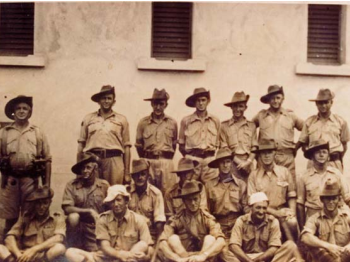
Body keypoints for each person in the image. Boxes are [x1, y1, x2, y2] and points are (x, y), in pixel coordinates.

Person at [0, 95, 51, 234]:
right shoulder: (4, 133)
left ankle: (26, 244)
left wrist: (47, 184)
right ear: (13, 112)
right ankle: (8, 248)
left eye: (25, 108)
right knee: (10, 217)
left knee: (29, 214)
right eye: (18, 108)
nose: (21, 111)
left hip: (31, 180)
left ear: (29, 112)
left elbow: (47, 159)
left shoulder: (37, 132)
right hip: (10, 180)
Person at [65, 185, 153, 262]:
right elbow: (105, 247)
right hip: (106, 258)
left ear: (126, 201)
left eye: (119, 200)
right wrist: (120, 255)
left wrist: (146, 257)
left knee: (142, 244)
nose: (116, 204)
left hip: (128, 258)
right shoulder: (102, 219)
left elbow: (149, 247)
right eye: (112, 201)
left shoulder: (138, 220)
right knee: (70, 252)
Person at [159, 180, 226, 262]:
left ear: (200, 198)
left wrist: (203, 256)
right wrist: (178, 259)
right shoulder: (176, 219)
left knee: (210, 238)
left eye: (195, 199)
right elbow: (162, 243)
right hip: (184, 257)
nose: (193, 203)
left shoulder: (207, 218)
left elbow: (221, 241)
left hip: (202, 258)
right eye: (189, 200)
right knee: (173, 239)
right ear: (184, 201)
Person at [78, 85, 131, 185]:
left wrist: (127, 172)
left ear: (113, 101)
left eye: (109, 98)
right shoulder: (88, 118)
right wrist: (79, 170)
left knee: (114, 192)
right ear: (98, 101)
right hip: (92, 160)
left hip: (114, 161)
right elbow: (81, 145)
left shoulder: (121, 119)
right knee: (93, 193)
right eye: (103, 98)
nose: (106, 101)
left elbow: (127, 147)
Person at [247, 139, 299, 241]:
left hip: (282, 210)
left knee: (292, 222)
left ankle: (293, 249)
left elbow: (291, 195)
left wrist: (291, 211)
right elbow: (252, 201)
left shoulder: (284, 172)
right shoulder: (253, 175)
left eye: (269, 152)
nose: (266, 156)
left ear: (274, 153)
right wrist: (275, 213)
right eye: (263, 153)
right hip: (262, 213)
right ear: (260, 156)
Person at [253, 85, 304, 183]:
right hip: (265, 158)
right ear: (268, 100)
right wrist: (255, 151)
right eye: (272, 98)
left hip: (286, 158)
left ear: (283, 98)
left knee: (289, 187)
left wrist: (297, 146)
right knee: (264, 186)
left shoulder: (291, 116)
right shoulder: (261, 116)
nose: (275, 101)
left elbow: (307, 129)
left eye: (278, 98)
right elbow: (249, 130)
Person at [0, 187, 66, 262]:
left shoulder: (57, 217)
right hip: (24, 255)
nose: (41, 207)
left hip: (43, 256)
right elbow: (9, 238)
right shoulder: (26, 217)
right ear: (34, 204)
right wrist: (18, 254)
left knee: (59, 247)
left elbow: (59, 238)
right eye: (38, 203)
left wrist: (34, 250)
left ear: (50, 203)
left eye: (45, 203)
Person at [206, 147, 249, 261]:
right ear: (218, 165)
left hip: (238, 226)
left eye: (228, 162)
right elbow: (206, 211)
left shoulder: (241, 184)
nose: (225, 165)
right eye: (222, 162)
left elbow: (246, 209)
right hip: (219, 226)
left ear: (231, 164)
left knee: (242, 249)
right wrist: (214, 227)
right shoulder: (209, 186)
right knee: (223, 251)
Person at [229, 192, 299, 262]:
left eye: (264, 208)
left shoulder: (273, 222)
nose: (261, 211)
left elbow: (274, 247)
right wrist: (249, 261)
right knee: (225, 252)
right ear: (251, 207)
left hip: (266, 258)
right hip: (245, 257)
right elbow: (234, 245)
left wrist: (258, 259)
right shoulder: (241, 221)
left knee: (290, 245)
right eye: (258, 208)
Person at [296, 139, 350, 229]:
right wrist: (302, 227)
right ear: (312, 156)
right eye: (318, 152)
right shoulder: (303, 177)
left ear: (328, 157)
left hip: (335, 216)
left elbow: (347, 197)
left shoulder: (336, 173)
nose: (321, 155)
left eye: (324, 152)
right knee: (309, 239)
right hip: (314, 217)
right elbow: (300, 205)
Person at [62, 153, 109, 252]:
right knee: (73, 217)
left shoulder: (104, 185)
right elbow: (67, 208)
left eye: (88, 167)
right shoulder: (72, 185)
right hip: (78, 227)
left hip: (96, 228)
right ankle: (72, 246)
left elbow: (110, 209)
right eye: (83, 168)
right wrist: (89, 211)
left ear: (95, 168)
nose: (85, 171)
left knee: (98, 254)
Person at [135, 88, 178, 195]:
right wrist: (148, 158)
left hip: (166, 163)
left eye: (161, 104)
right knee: (149, 193)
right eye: (155, 104)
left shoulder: (172, 123)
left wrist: (164, 157)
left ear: (166, 105)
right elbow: (139, 145)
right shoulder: (143, 123)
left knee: (168, 193)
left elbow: (174, 144)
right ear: (151, 104)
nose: (158, 107)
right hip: (149, 162)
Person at [297, 89, 350, 172]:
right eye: (320, 103)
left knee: (334, 184)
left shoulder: (340, 122)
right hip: (313, 163)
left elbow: (344, 145)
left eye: (326, 102)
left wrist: (334, 158)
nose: (323, 105)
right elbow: (304, 144)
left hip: (333, 163)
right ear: (316, 104)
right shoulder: (309, 122)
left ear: (331, 103)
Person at [301, 178, 350, 262]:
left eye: (334, 198)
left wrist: (348, 247)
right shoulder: (315, 218)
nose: (331, 202)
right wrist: (328, 246)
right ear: (322, 199)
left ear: (339, 199)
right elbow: (305, 237)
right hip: (325, 257)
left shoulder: (347, 216)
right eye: (327, 198)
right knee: (315, 249)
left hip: (344, 255)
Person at [179, 88, 220, 183]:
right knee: (190, 188)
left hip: (210, 161)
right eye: (198, 100)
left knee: (211, 189)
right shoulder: (186, 121)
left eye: (203, 100)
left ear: (208, 101)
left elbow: (218, 144)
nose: (201, 103)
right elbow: (181, 146)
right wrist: (190, 158)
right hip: (192, 160)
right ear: (194, 102)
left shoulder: (215, 121)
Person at [219, 91, 258, 182]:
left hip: (248, 162)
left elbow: (254, 146)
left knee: (249, 190)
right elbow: (224, 148)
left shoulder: (251, 126)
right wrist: (239, 162)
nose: (237, 109)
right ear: (231, 107)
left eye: (240, 106)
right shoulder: (224, 126)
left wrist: (248, 162)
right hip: (231, 163)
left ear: (245, 108)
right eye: (235, 106)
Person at [128, 159, 166, 240]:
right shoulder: (126, 192)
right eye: (136, 175)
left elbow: (159, 222)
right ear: (132, 177)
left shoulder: (156, 193)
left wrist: (157, 244)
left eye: (143, 174)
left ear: (148, 176)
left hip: (149, 235)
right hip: (130, 235)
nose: (140, 177)